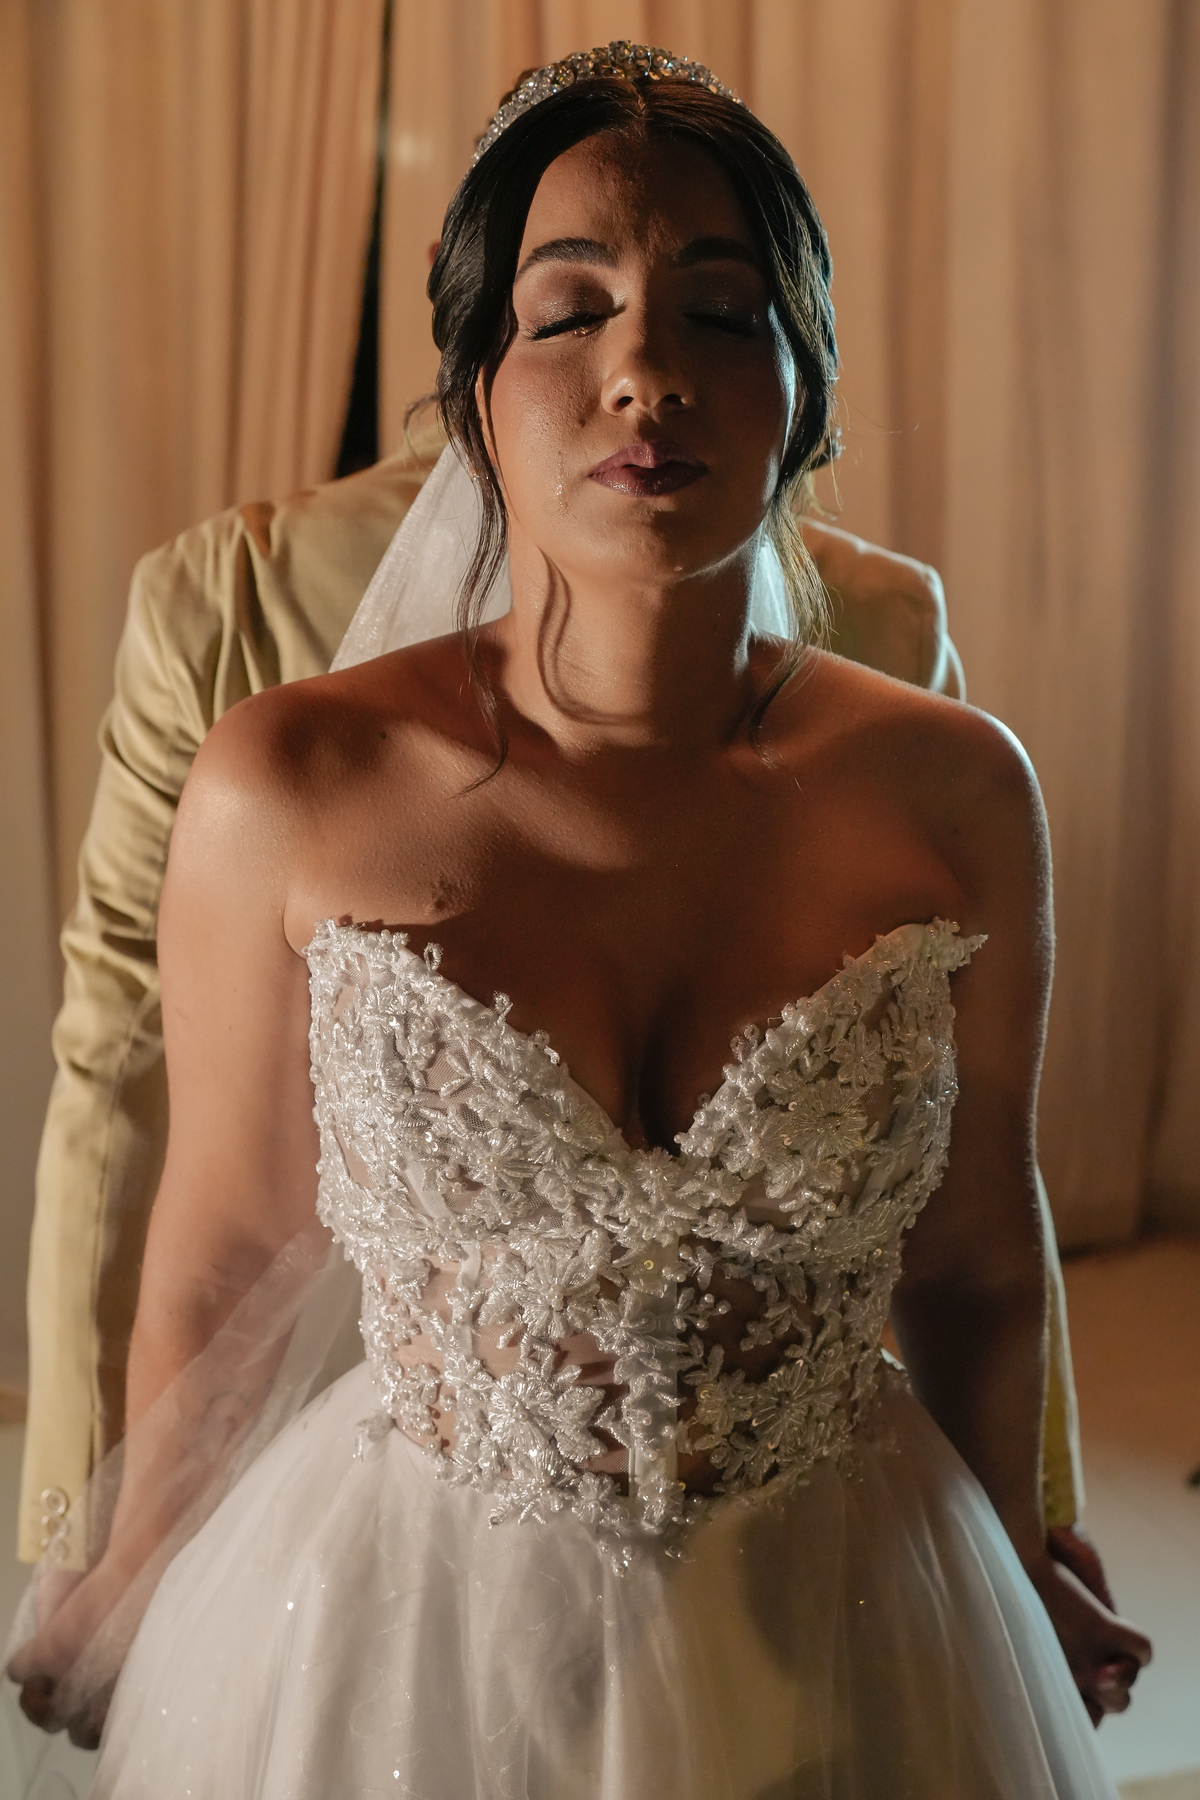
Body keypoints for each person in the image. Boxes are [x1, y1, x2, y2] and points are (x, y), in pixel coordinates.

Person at [9, 43, 1150, 1798]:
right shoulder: (290, 785)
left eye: (721, 311)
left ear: (806, 397)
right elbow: (225, 1244)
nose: (644, 372)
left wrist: (1014, 1573)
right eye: (569, 312)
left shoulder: (956, 794)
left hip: (843, 1604)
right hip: (409, 1628)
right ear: (476, 397)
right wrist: (137, 1570)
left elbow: (980, 1267)